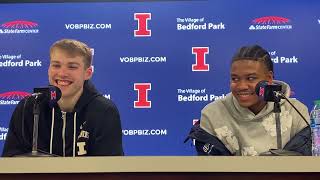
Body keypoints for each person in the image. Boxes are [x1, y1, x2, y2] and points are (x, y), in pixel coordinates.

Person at [2, 39, 123, 157]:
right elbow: (11, 162)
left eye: (72, 67)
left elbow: (109, 170)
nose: (62, 73)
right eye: (56, 65)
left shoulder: (104, 111)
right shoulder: (28, 107)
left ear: (88, 73)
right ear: (49, 69)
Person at [186, 45, 311, 156]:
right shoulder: (212, 114)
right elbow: (214, 171)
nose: (241, 86)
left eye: (251, 78)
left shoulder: (296, 111)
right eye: (235, 79)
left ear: (268, 78)